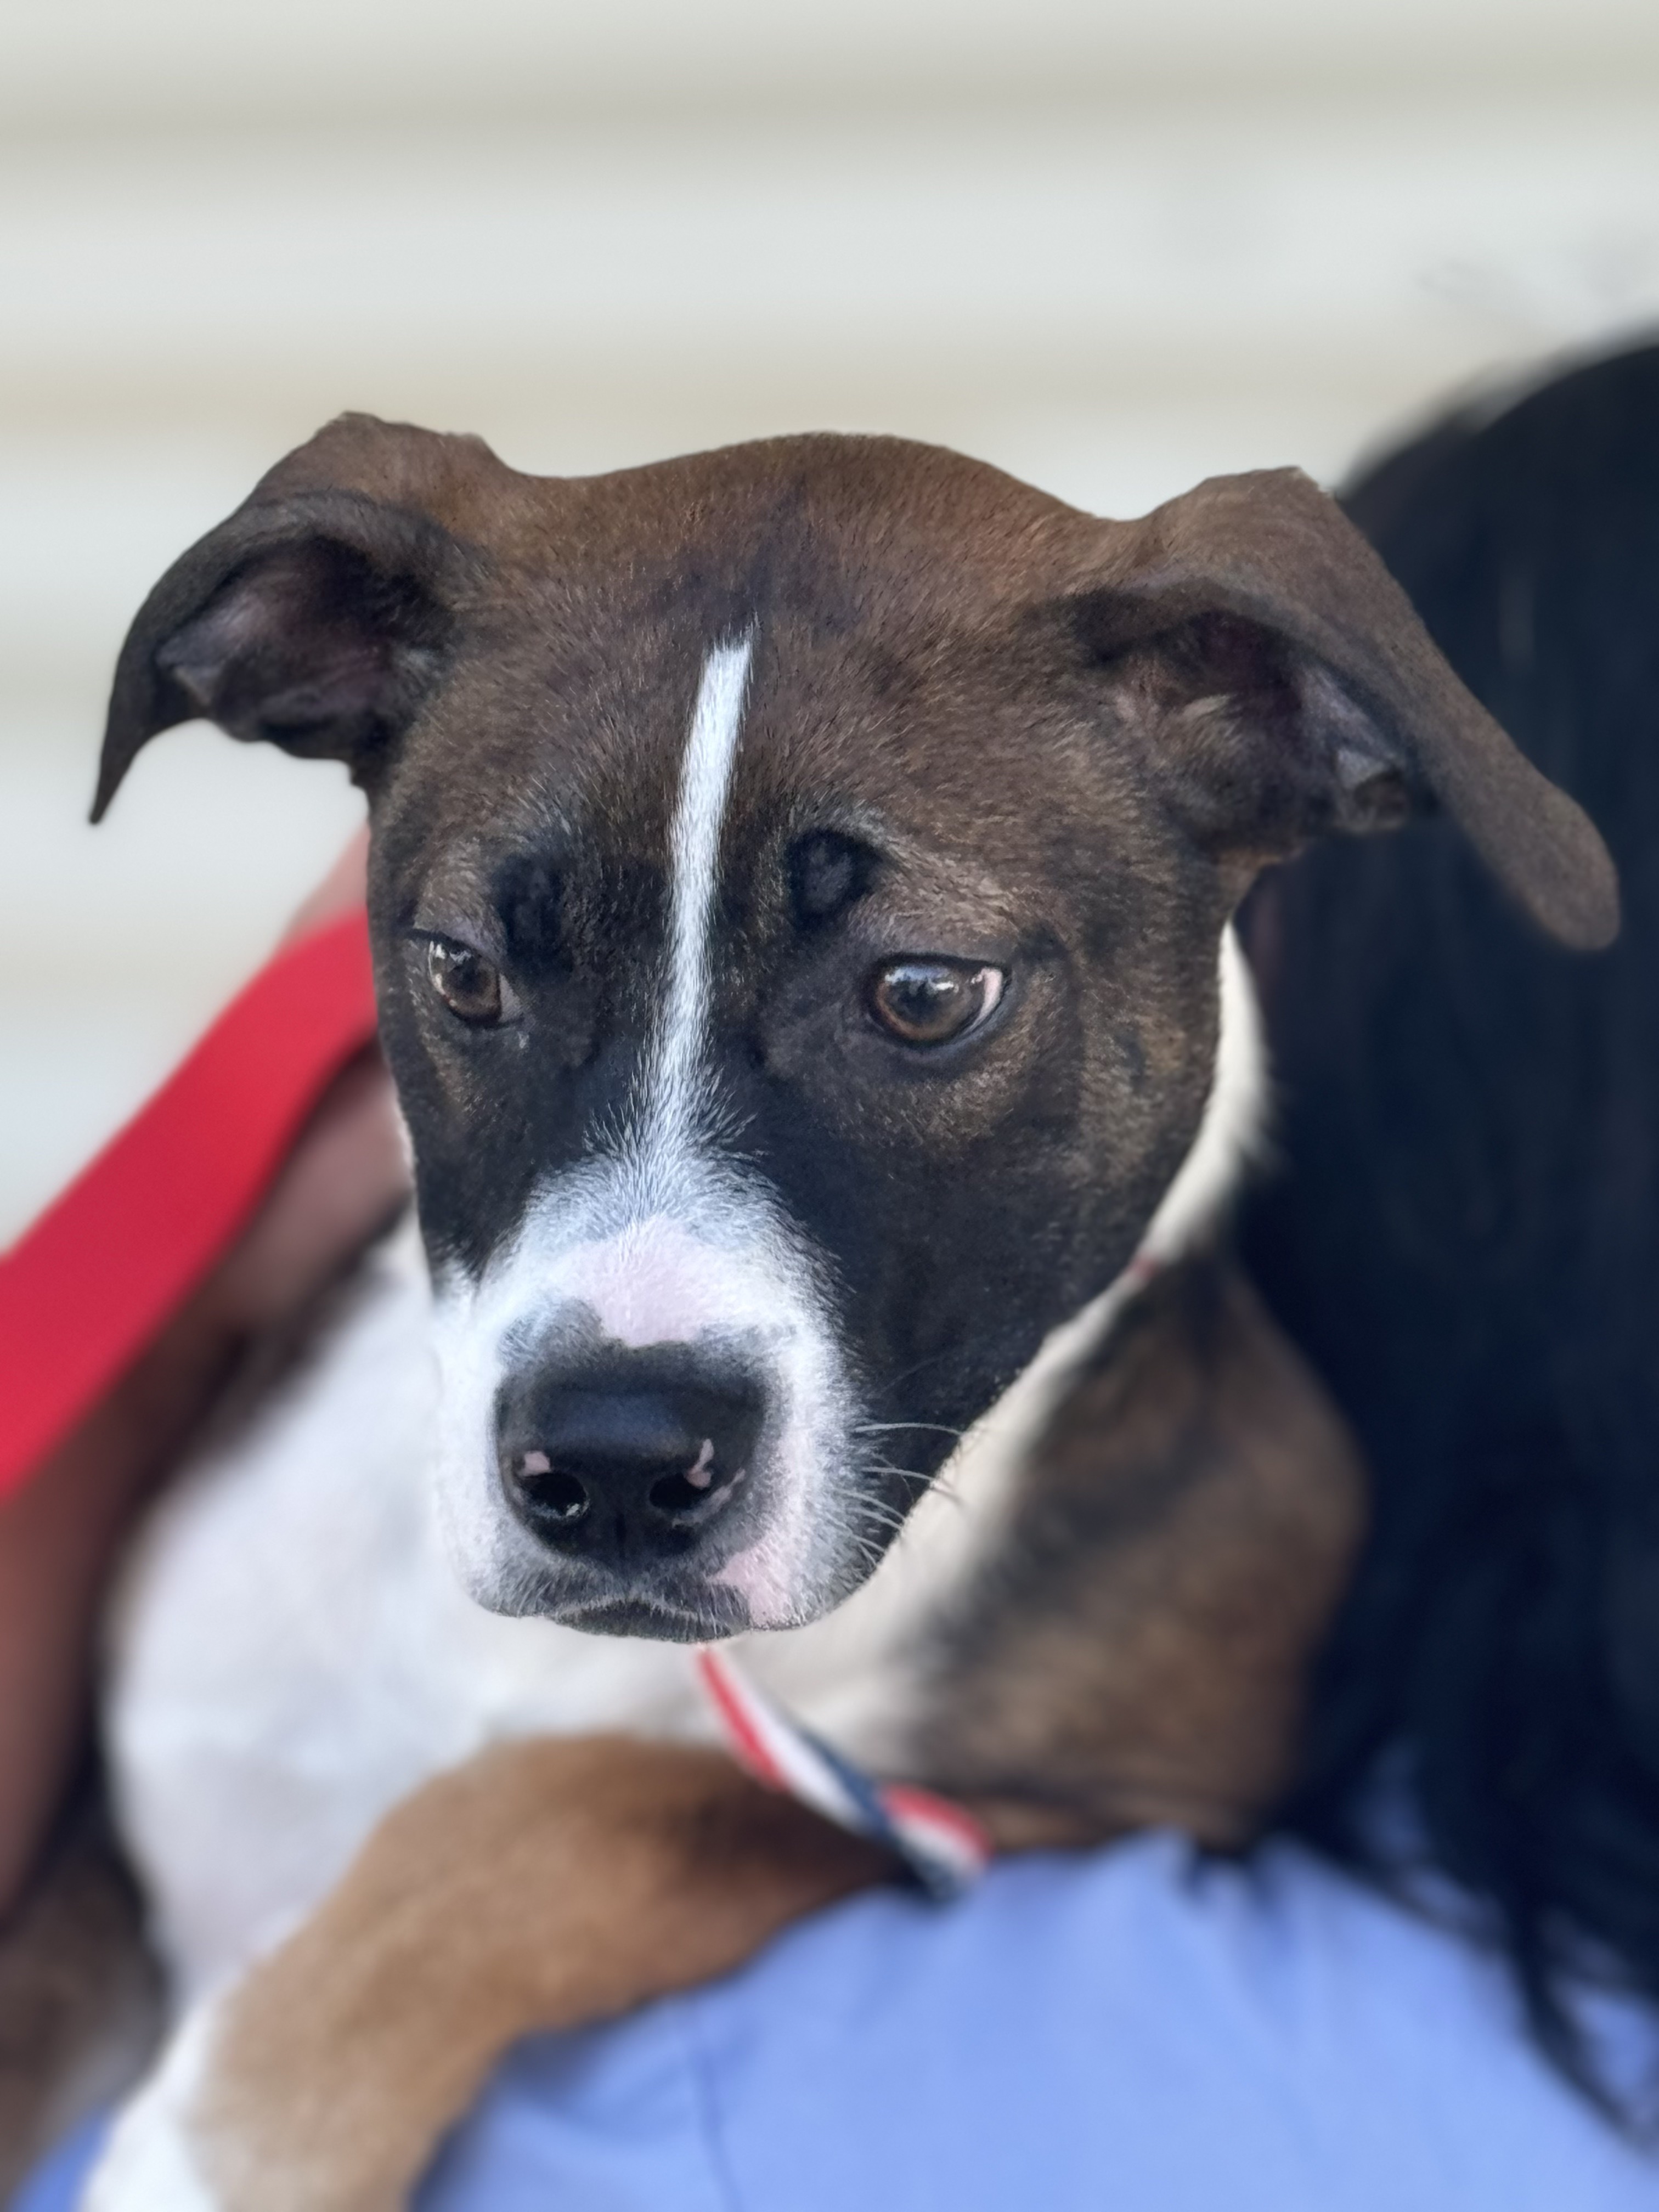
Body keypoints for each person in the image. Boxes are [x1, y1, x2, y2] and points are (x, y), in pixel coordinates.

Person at [10, 343, 1659, 2208]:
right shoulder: (253, 1455)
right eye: (481, 979)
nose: (635, 1319)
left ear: (1282, 728)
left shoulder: (1199, 1628)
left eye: (914, 999)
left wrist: (567, 1860)